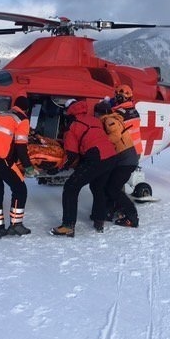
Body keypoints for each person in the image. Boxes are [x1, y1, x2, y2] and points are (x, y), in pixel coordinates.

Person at [50, 99, 116, 237]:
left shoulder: (73, 125)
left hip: (96, 157)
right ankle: (99, 220)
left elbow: (71, 155)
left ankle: (68, 225)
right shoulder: (93, 119)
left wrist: (58, 169)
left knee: (70, 187)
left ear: (68, 111)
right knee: (98, 188)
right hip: (111, 156)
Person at [0, 96, 37, 239]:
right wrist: (28, 167)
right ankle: (16, 225)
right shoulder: (23, 119)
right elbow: (21, 146)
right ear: (27, 109)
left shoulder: (2, 115)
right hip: (0, 157)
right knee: (20, 189)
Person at [95, 101, 140, 228]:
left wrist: (101, 144)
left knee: (113, 189)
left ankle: (132, 216)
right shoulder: (112, 118)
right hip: (125, 159)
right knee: (109, 186)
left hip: (125, 160)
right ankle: (109, 211)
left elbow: (115, 135)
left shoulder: (109, 120)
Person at [111, 84, 143, 156]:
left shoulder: (118, 114)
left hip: (126, 152)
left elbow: (113, 134)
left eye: (117, 97)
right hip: (137, 151)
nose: (115, 99)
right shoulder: (134, 111)